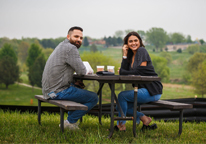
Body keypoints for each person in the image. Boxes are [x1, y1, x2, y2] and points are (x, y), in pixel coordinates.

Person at [42, 26, 98, 130]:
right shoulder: (71, 48)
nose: (79, 40)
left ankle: (70, 120)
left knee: (78, 89)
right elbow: (82, 71)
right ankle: (69, 122)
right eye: (76, 36)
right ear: (68, 36)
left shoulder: (61, 45)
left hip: (49, 91)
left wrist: (73, 83)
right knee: (93, 97)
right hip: (57, 92)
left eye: (81, 38)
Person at [116, 31, 163, 131]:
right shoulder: (131, 56)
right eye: (130, 41)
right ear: (127, 44)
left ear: (140, 42)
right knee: (121, 106)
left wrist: (123, 72)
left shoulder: (142, 51)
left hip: (152, 90)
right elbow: (124, 72)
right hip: (142, 90)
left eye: (136, 40)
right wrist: (124, 54)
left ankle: (120, 125)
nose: (133, 43)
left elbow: (138, 71)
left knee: (122, 96)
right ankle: (144, 118)